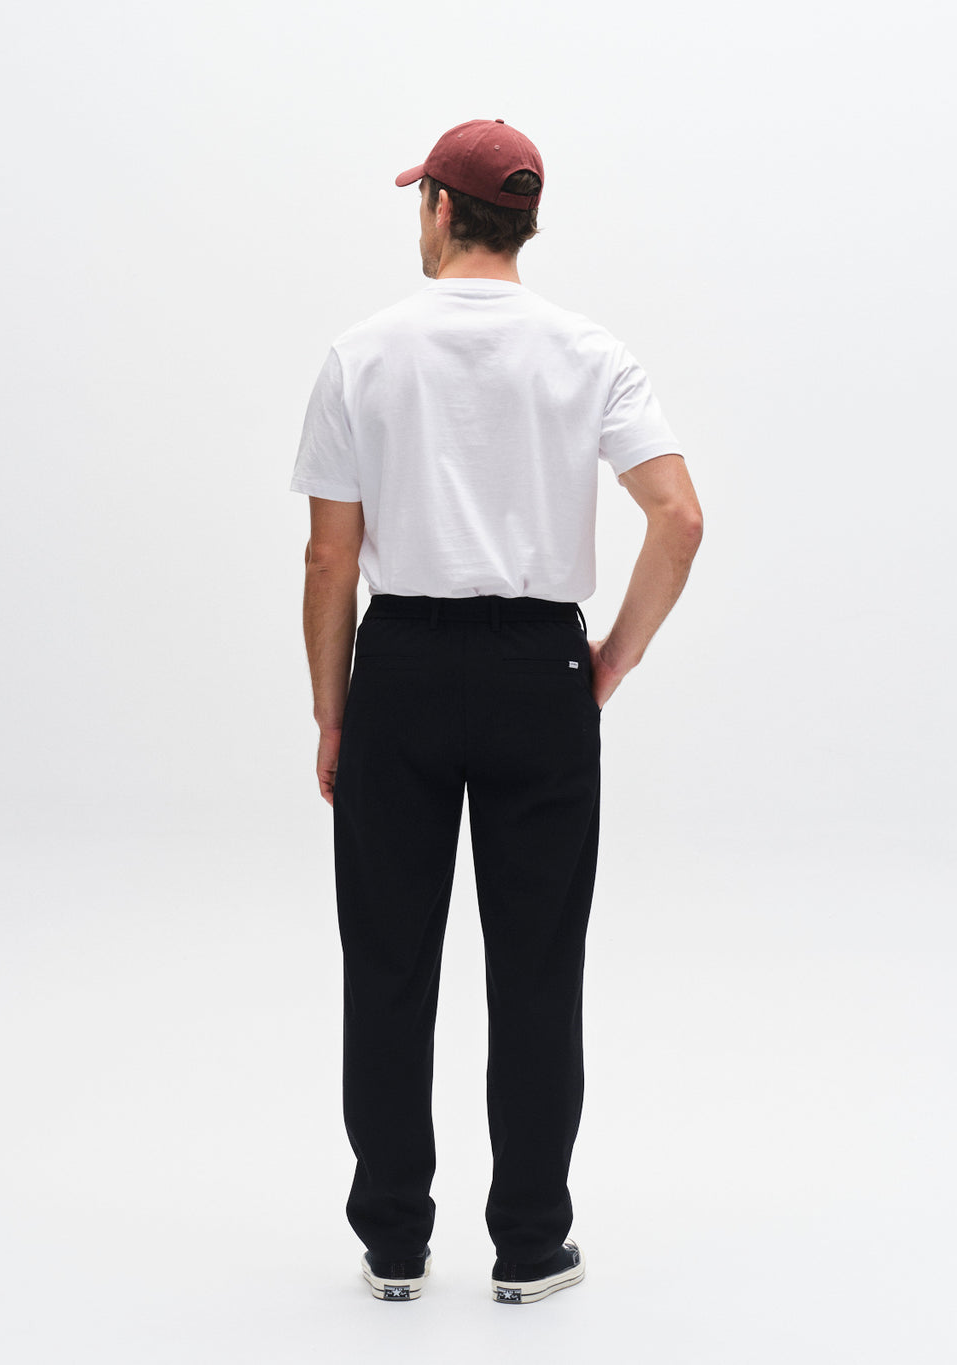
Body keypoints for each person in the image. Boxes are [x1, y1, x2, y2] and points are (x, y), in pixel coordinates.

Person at [290, 118, 703, 1304]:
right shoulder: (588, 352)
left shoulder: (362, 353)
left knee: (387, 960)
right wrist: (607, 659)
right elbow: (677, 515)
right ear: (524, 219)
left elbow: (330, 564)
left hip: (403, 670)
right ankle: (528, 1244)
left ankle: (391, 1244)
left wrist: (334, 712)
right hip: (540, 673)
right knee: (535, 966)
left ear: (436, 211)